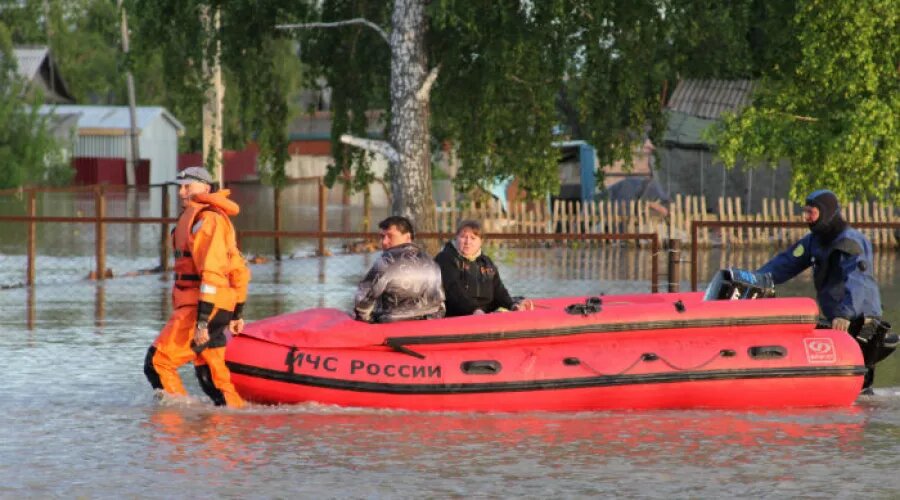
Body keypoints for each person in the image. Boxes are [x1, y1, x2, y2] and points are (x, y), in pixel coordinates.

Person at [757, 189, 889, 392]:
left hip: (861, 319)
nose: (806, 217)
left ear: (826, 213)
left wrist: (844, 314)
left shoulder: (849, 242)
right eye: (805, 212)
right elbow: (786, 263)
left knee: (858, 385)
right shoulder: (814, 241)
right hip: (837, 318)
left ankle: (865, 405)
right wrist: (755, 279)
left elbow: (857, 281)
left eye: (811, 213)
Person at [144, 167, 250, 407]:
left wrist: (202, 321)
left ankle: (177, 423)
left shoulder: (207, 220)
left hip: (201, 308)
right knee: (210, 377)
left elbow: (212, 272)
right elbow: (239, 270)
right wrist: (237, 312)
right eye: (180, 187)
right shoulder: (203, 218)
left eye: (187, 187)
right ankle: (232, 421)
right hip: (213, 307)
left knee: (158, 363)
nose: (181, 192)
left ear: (206, 188)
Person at [354, 215, 445, 323]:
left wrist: (368, 320)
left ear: (407, 237)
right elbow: (440, 303)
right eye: (382, 237)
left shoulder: (387, 261)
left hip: (391, 327)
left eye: (390, 236)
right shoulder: (431, 261)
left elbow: (362, 301)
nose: (384, 242)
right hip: (428, 325)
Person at [434, 219, 534, 317]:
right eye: (463, 237)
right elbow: (453, 291)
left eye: (473, 238)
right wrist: (474, 310)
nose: (467, 242)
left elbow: (498, 290)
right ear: (456, 238)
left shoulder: (486, 262)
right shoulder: (445, 259)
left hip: (485, 313)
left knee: (515, 302)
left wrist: (511, 305)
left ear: (481, 241)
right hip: (457, 315)